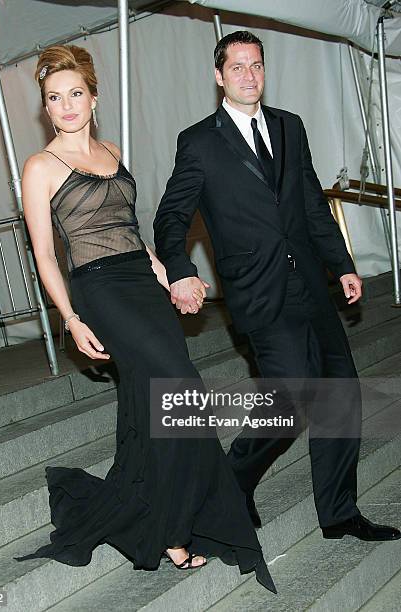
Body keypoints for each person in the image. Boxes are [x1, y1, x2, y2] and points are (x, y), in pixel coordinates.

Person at [15, 44, 276, 592]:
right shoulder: (40, 166)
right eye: (54, 99)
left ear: (93, 97)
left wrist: (165, 271)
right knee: (178, 389)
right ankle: (175, 528)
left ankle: (159, 511)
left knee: (156, 401)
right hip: (98, 290)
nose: (65, 106)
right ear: (45, 107)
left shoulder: (111, 150)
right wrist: (71, 319)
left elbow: (128, 230)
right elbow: (45, 252)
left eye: (75, 95)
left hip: (140, 281)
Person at [154, 30, 400, 542]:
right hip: (258, 292)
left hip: (310, 283)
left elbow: (311, 202)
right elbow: (170, 218)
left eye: (257, 65)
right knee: (290, 399)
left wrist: (343, 263)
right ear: (219, 75)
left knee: (341, 395)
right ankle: (232, 481)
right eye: (238, 67)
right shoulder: (199, 141)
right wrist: (179, 269)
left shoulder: (290, 127)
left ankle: (338, 514)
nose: (250, 75)